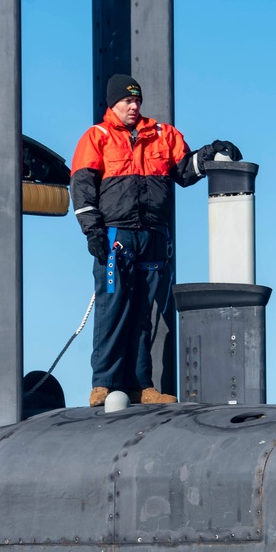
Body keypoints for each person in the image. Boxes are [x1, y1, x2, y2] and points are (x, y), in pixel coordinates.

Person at [70, 73, 242, 406]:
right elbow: (82, 187)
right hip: (116, 236)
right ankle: (103, 382)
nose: (133, 106)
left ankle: (140, 385)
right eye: (126, 101)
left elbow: (184, 171)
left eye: (137, 101)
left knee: (143, 314)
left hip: (152, 235)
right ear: (113, 103)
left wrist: (211, 153)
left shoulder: (162, 135)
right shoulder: (98, 137)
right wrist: (92, 231)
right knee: (112, 308)